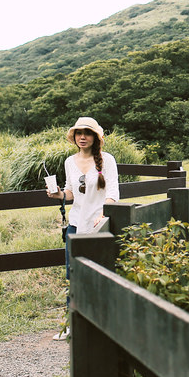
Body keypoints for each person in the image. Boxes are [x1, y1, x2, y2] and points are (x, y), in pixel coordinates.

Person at [47, 116, 119, 339]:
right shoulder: (70, 162)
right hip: (76, 225)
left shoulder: (107, 160)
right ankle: (72, 324)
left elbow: (113, 194)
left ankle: (101, 322)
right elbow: (70, 193)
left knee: (101, 275)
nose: (82, 137)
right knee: (73, 276)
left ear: (95, 137)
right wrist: (58, 194)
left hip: (99, 226)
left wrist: (103, 214)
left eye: (87, 133)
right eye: (79, 133)